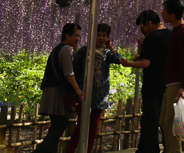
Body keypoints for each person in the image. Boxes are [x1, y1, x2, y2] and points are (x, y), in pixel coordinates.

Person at [122, 10, 171, 153]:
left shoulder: (152, 37)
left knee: (150, 117)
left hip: (153, 82)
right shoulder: (171, 35)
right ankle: (167, 148)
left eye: (143, 27)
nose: (143, 30)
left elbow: (145, 63)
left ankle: (150, 149)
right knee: (165, 118)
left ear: (149, 23)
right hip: (168, 82)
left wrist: (128, 64)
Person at [70, 23, 123, 153]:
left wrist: (111, 47)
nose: (101, 38)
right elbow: (74, 69)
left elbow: (118, 59)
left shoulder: (107, 53)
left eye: (104, 36)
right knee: (81, 125)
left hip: (100, 95)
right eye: (98, 35)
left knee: (93, 126)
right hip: (84, 93)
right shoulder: (84, 50)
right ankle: (70, 151)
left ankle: (87, 150)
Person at [158, 0, 184, 153]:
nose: (161, 13)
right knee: (165, 120)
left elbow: (183, 61)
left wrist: (183, 86)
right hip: (173, 81)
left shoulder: (182, 33)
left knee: (171, 123)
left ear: (172, 15)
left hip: (179, 82)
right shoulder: (177, 31)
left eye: (164, 10)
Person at [37, 23, 84, 153]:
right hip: (57, 91)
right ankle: (39, 151)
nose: (78, 39)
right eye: (76, 36)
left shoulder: (57, 48)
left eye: (79, 36)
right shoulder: (66, 49)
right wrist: (77, 90)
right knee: (61, 123)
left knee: (57, 125)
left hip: (51, 89)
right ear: (67, 35)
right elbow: (69, 73)